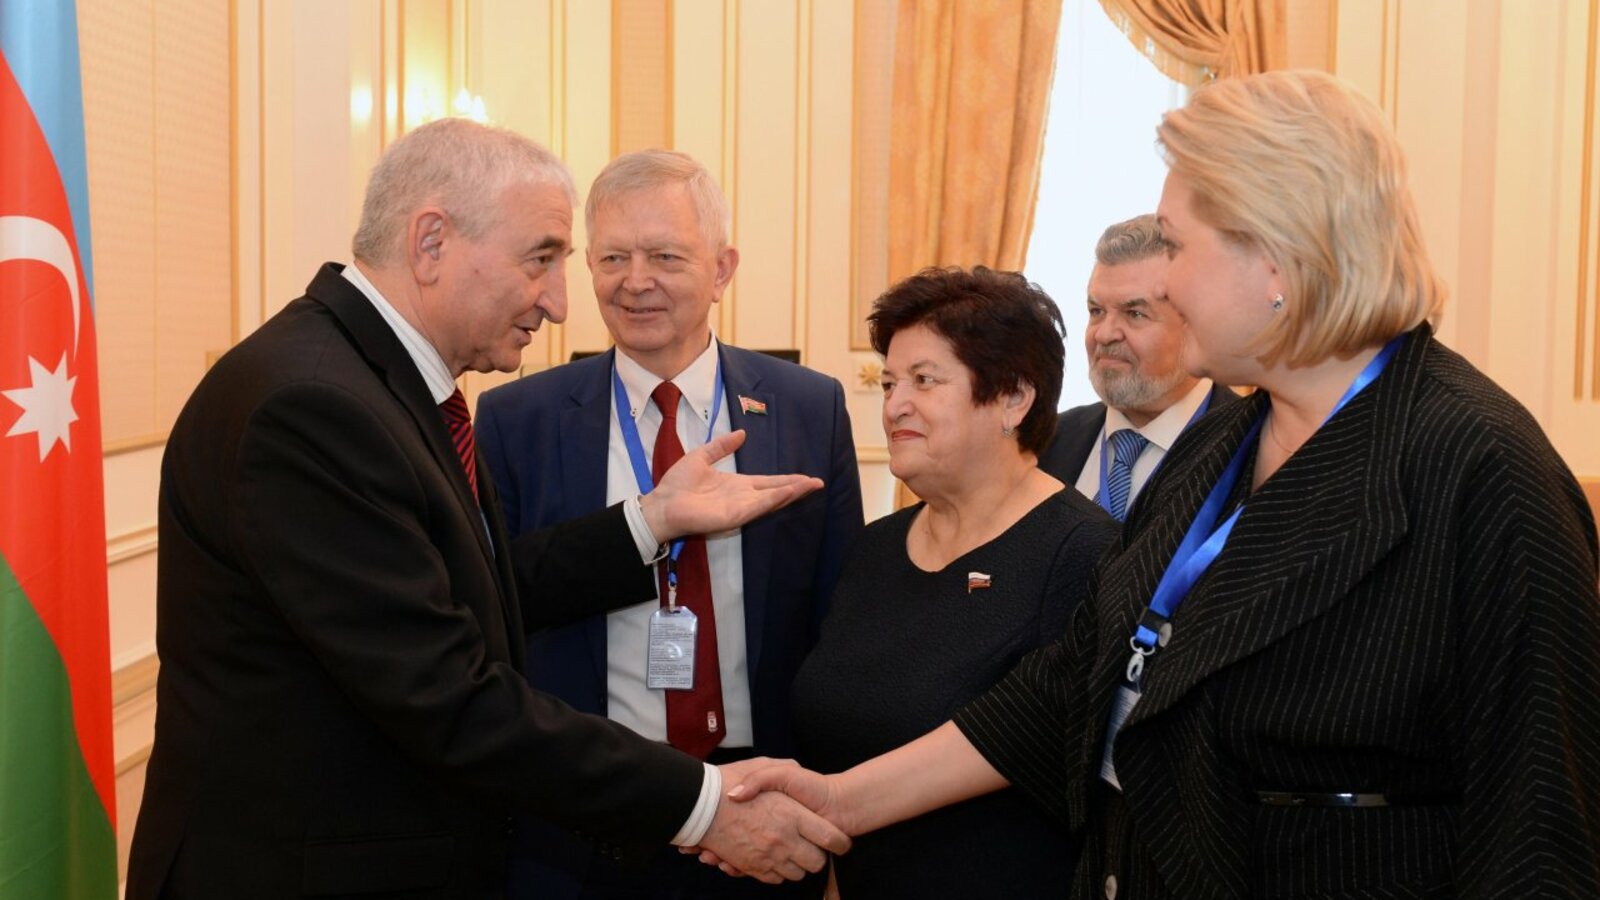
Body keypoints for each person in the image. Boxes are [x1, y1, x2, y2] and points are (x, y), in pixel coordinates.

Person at [723, 70, 1600, 898]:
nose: (1166, 279)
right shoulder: (1224, 446)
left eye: (1177, 245)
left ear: (1277, 258)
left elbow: (1539, 829)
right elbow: (1072, 686)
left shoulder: (1482, 470)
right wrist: (840, 802)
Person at [125, 118, 848, 900]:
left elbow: (481, 590)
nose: (562, 303)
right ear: (431, 242)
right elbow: (447, 695)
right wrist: (703, 806)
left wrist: (650, 522)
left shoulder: (378, 387)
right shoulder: (315, 407)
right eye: (541, 258)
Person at [475, 148, 864, 899]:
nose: (636, 280)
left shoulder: (807, 408)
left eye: (665, 256)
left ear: (722, 269)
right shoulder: (517, 418)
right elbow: (498, 604)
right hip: (586, 807)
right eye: (613, 257)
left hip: (760, 799)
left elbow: (839, 617)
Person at [786, 266, 1119, 898]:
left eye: (924, 380)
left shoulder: (1083, 552)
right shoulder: (876, 549)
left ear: (1013, 399)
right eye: (890, 383)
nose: (894, 405)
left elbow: (1042, 746)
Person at [1038, 214, 1238, 519]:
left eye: (1135, 314)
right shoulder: (1046, 442)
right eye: (1096, 311)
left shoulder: (1251, 451)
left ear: (1196, 324)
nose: (1104, 334)